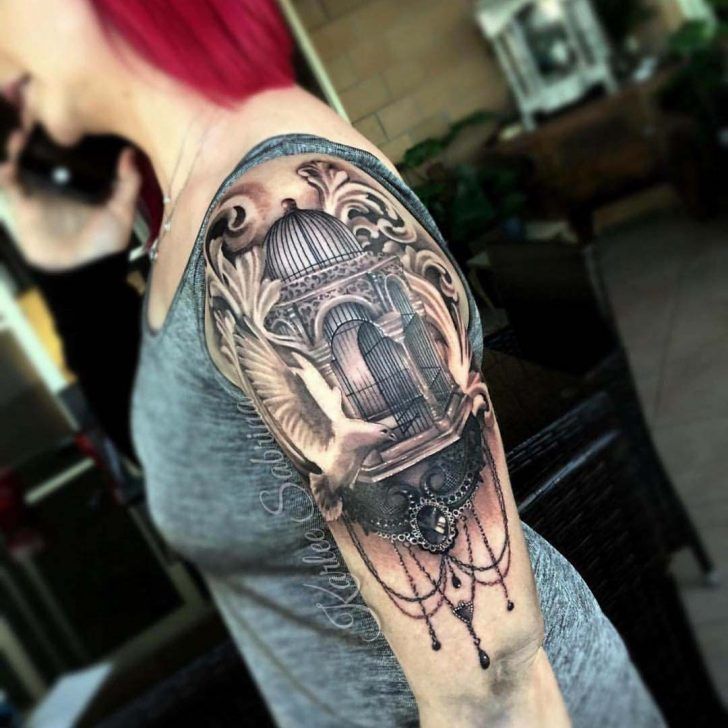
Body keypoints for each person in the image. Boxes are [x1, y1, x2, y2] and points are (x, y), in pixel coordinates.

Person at [0, 1, 664, 726]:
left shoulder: (260, 191)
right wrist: (78, 280)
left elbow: (494, 683)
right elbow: (197, 461)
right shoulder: (192, 207)